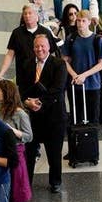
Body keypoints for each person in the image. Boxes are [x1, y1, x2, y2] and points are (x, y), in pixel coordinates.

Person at [20, 34, 68, 193]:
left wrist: (38, 102)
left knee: (54, 152)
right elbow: (21, 88)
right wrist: (27, 102)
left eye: (43, 46)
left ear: (49, 47)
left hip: (54, 117)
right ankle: (27, 183)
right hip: (32, 118)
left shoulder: (59, 64)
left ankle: (55, 181)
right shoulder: (26, 64)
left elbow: (58, 89)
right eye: (36, 46)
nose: (39, 49)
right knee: (29, 153)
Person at [0, 80, 33, 202]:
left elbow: (28, 136)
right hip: (0, 152)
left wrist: (13, 131)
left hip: (16, 152)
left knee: (19, 188)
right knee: (3, 189)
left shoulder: (20, 113)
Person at [0, 4, 61, 95]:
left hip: (43, 77)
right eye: (25, 14)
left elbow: (52, 54)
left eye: (30, 13)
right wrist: (1, 72)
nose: (27, 16)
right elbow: (10, 54)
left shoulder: (45, 32)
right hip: (23, 77)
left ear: (36, 16)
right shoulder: (17, 33)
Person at [63, 10, 102, 125]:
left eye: (83, 21)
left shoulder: (97, 39)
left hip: (92, 84)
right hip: (75, 84)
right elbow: (65, 60)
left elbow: (101, 63)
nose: (80, 24)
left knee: (93, 118)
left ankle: (91, 142)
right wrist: (74, 75)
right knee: (76, 117)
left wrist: (84, 75)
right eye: (78, 21)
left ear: (89, 22)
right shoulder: (71, 38)